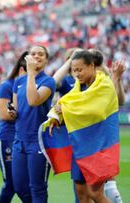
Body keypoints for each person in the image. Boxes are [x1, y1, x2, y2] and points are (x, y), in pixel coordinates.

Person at [49, 50, 120, 203]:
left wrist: (66, 110)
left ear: (91, 66)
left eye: (80, 70)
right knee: (81, 192)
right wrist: (56, 115)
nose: (77, 74)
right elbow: (66, 102)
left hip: (98, 147)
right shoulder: (77, 87)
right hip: (80, 147)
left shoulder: (104, 85)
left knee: (95, 194)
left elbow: (97, 111)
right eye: (74, 71)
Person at [10, 46, 56, 203]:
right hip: (19, 140)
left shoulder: (48, 81)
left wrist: (30, 73)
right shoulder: (18, 82)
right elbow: (16, 108)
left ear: (46, 59)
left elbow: (33, 100)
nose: (37, 56)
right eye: (33, 53)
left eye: (41, 54)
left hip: (39, 142)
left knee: (38, 188)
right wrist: (13, 112)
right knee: (20, 187)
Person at [0, 51, 27, 203]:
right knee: (12, 184)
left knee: (26, 184)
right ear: (22, 69)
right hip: (7, 138)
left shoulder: (38, 86)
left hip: (25, 139)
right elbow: (4, 114)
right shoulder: (7, 86)